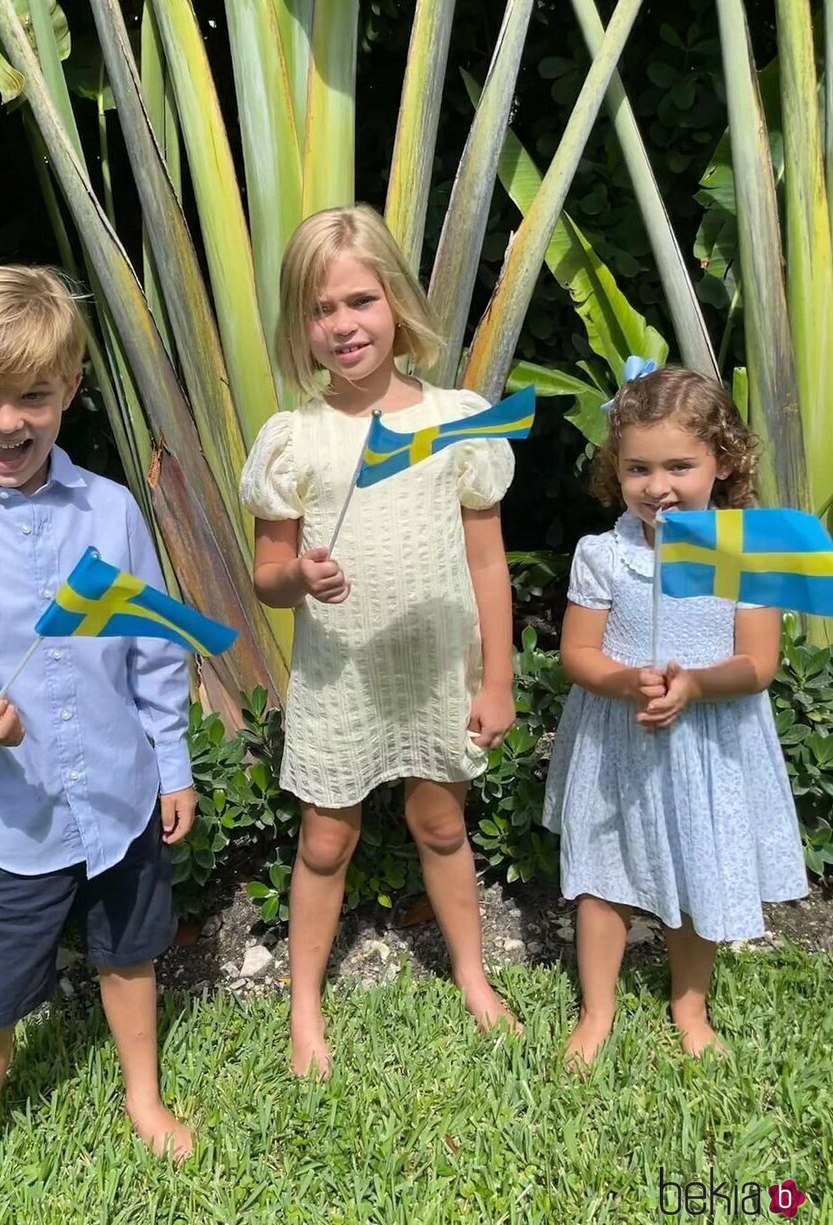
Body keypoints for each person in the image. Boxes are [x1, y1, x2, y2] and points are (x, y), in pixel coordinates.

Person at [0, 265, 197, 1225]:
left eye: (34, 396)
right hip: (12, 817)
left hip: (123, 798)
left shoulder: (110, 512)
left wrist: (170, 761)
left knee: (131, 954)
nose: (5, 422)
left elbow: (155, 645)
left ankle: (143, 1095)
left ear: (72, 389)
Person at [239, 204, 522, 1076]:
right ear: (302, 326)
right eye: (321, 310)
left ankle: (473, 976)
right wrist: (302, 579)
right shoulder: (298, 439)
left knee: (440, 823)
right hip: (342, 677)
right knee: (327, 838)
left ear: (396, 301)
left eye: (359, 300)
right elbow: (267, 574)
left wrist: (498, 680)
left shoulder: (457, 420)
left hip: (436, 666)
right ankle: (304, 1007)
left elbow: (487, 564)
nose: (343, 324)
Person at [542, 365, 808, 1065]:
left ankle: (689, 1004)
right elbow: (576, 652)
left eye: (680, 465)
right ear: (617, 469)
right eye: (639, 468)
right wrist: (630, 681)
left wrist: (692, 684)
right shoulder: (605, 554)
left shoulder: (745, 551)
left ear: (722, 461)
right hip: (621, 740)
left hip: (708, 744)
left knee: (699, 874)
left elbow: (757, 662)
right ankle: (596, 1010)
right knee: (604, 878)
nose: (658, 486)